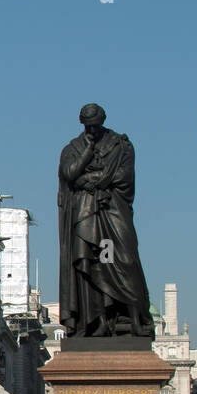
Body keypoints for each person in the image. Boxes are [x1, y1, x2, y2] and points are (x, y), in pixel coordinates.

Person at [58, 103, 153, 338]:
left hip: (112, 211)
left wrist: (92, 179)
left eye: (95, 126)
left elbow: (124, 177)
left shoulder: (120, 145)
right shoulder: (73, 147)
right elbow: (69, 175)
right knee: (94, 263)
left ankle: (134, 319)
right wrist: (88, 152)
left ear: (102, 121)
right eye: (87, 126)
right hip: (86, 216)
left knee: (124, 261)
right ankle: (99, 321)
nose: (91, 130)